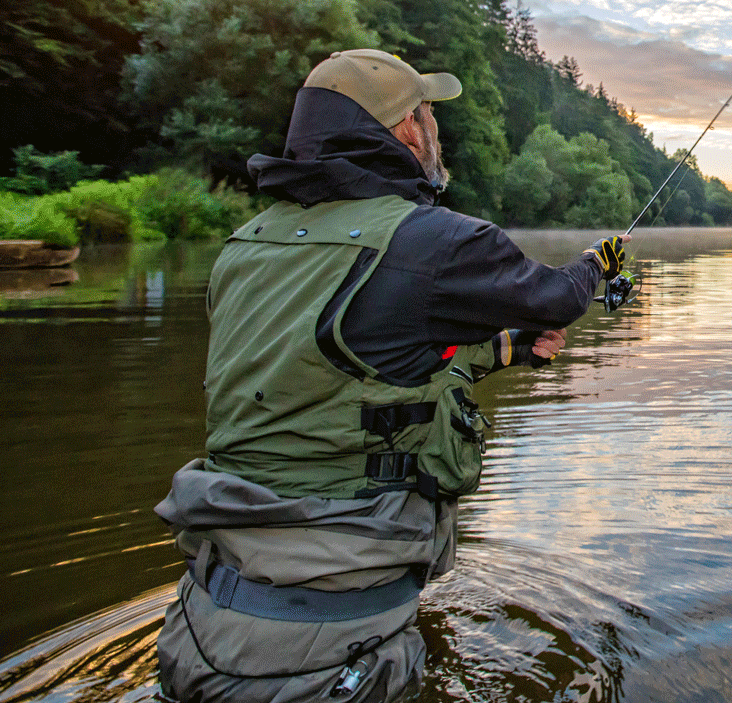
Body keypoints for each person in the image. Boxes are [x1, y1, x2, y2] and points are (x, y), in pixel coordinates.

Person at [154, 48, 629, 702]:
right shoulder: (435, 241)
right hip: (328, 663)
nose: (436, 130)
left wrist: (507, 350)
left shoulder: (245, 247)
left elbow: (340, 366)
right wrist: (594, 263)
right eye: (430, 114)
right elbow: (557, 298)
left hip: (198, 630)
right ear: (407, 128)